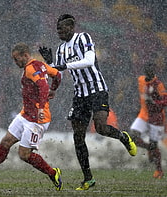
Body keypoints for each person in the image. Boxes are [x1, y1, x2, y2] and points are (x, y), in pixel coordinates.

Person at [39, 14, 137, 190]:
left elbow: (89, 61)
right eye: (57, 29)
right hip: (80, 94)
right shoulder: (61, 49)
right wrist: (50, 62)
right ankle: (88, 178)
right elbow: (59, 73)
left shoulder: (83, 37)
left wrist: (63, 66)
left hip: (97, 89)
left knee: (100, 127)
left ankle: (122, 137)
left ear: (71, 27)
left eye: (61, 28)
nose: (58, 31)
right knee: (78, 136)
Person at [0, 42, 63, 191]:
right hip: (25, 114)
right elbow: (57, 75)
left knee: (24, 155)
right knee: (6, 141)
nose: (15, 62)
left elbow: (43, 87)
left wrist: (42, 106)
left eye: (16, 59)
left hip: (38, 120)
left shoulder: (32, 68)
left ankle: (53, 173)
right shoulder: (41, 65)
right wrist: (54, 89)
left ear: (25, 55)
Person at [130, 64, 166, 179]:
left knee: (154, 143)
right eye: (147, 70)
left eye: (151, 71)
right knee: (133, 136)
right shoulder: (140, 80)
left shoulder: (158, 85)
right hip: (143, 115)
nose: (149, 73)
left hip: (156, 118)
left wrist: (156, 103)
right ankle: (149, 148)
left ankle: (159, 170)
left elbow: (165, 101)